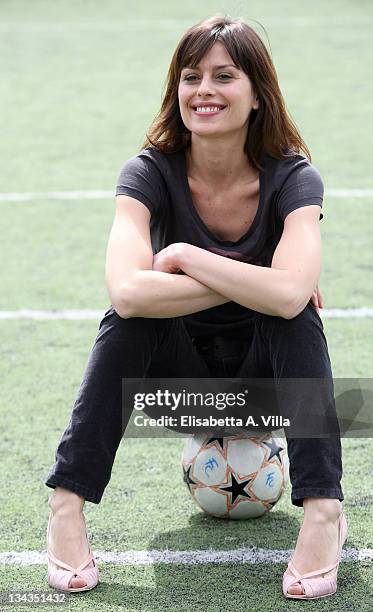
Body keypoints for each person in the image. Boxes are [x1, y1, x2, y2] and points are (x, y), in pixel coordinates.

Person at [45, 15, 347, 601]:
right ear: (176, 91)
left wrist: (184, 254)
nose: (203, 89)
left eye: (224, 76)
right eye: (191, 76)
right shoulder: (147, 172)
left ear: (257, 95)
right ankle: (66, 504)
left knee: (297, 316)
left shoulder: (293, 178)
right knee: (126, 321)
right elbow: (128, 291)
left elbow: (289, 299)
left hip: (267, 397)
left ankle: (323, 514)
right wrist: (260, 277)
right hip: (178, 393)